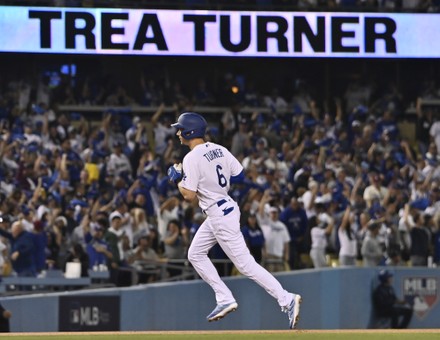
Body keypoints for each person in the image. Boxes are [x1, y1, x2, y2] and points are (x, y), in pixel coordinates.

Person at [167, 112, 301, 329]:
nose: (177, 132)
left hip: (219, 214)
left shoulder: (191, 158)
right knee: (195, 253)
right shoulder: (219, 148)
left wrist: (177, 179)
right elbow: (238, 176)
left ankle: (286, 299)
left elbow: (189, 196)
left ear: (190, 131)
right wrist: (211, 176)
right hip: (223, 209)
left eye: (180, 129)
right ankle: (224, 298)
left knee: (246, 265)